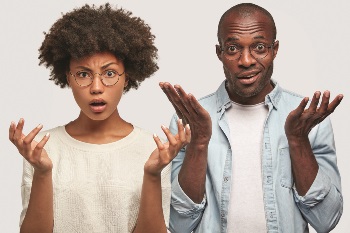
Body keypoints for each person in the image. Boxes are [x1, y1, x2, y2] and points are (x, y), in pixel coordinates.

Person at [161, 3, 343, 233]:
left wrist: (298, 141)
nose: (246, 60)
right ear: (219, 53)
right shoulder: (191, 118)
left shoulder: (308, 119)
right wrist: (198, 142)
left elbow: (326, 221)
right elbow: (178, 225)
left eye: (259, 47)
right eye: (233, 48)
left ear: (275, 49)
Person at [8, 4, 190, 233]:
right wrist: (43, 172)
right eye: (83, 74)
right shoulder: (41, 148)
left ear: (127, 77)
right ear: (68, 78)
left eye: (110, 73)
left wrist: (152, 175)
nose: (96, 87)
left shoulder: (151, 149)